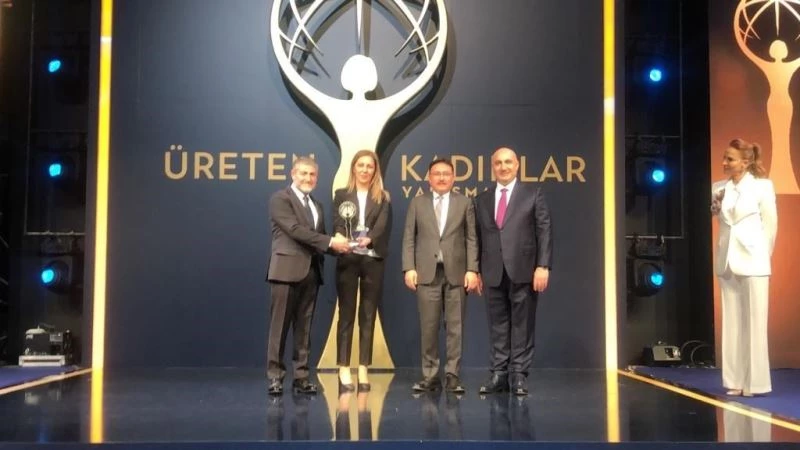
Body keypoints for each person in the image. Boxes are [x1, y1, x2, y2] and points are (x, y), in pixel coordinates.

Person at [266, 156, 351, 396]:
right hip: (285, 272)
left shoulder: (317, 205)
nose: (308, 178)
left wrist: (347, 247)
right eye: (303, 173)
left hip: (311, 272)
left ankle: (301, 377)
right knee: (279, 328)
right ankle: (275, 377)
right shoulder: (280, 199)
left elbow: (319, 241)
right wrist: (331, 241)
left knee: (304, 329)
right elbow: (295, 231)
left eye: (312, 174)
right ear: (293, 174)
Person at [474, 146, 552, 396]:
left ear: (517, 165)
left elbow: (544, 232)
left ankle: (519, 374)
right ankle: (499, 374)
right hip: (492, 270)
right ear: (492, 167)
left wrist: (543, 265)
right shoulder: (482, 199)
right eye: (498, 163)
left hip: (524, 269)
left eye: (508, 162)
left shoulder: (533, 194)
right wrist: (475, 270)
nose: (503, 167)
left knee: (522, 324)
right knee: (497, 324)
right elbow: (476, 237)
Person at [402, 158, 480, 393]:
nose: (442, 178)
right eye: (437, 173)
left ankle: (453, 375)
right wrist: (409, 268)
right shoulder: (417, 203)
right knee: (429, 327)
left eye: (446, 174)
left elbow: (471, 238)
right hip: (427, 273)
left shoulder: (464, 202)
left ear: (454, 178)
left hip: (457, 273)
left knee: (455, 327)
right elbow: (409, 237)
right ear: (429, 178)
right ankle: (430, 376)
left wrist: (472, 269)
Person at [711, 138, 777, 397]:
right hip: (727, 260)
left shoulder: (762, 187)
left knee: (755, 323)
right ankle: (734, 380)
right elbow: (722, 222)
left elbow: (770, 225)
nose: (724, 163)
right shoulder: (719, 188)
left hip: (754, 260)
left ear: (745, 162)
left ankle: (756, 383)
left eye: (730, 159)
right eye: (725, 158)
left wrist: (762, 255)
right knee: (732, 323)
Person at [333, 150, 392, 392]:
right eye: (361, 165)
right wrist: (341, 237)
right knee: (346, 314)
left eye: (370, 166)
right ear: (354, 168)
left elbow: (382, 226)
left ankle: (364, 367)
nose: (365, 170)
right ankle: (343, 367)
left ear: (375, 170)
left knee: (368, 314)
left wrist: (369, 239)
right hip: (348, 258)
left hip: (372, 259)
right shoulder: (341, 195)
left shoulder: (383, 197)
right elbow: (338, 223)